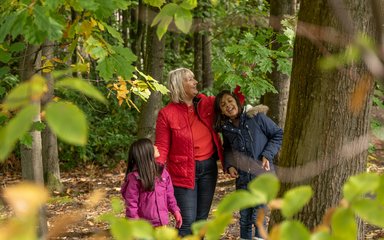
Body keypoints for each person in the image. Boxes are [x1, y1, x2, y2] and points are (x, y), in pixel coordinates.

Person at [154, 67, 224, 236]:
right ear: (179, 85)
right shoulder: (166, 114)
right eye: (190, 79)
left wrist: (242, 80)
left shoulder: (206, 103)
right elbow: (162, 147)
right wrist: (156, 173)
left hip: (208, 168)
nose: (195, 82)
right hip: (182, 172)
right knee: (186, 223)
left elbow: (230, 102)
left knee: (200, 223)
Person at [213, 90, 283, 240]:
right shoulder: (227, 129)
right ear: (221, 112)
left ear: (237, 101)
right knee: (244, 218)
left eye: (230, 101)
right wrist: (229, 166)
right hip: (243, 178)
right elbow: (228, 149)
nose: (228, 106)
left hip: (262, 177)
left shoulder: (256, 117)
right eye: (223, 105)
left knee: (258, 217)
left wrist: (267, 155)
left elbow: (278, 134)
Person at [120, 138, 182, 228]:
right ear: (146, 152)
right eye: (152, 145)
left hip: (162, 225)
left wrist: (175, 211)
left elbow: (169, 195)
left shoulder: (163, 173)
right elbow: (131, 204)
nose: (156, 147)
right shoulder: (134, 178)